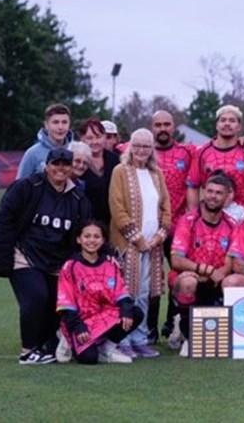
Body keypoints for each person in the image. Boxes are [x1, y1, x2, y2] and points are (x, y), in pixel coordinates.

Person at [0, 147, 92, 364]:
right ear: (47, 166)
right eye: (56, 164)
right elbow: (3, 220)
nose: (61, 169)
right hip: (24, 254)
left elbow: (83, 231)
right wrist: (0, 257)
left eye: (65, 164)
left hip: (57, 261)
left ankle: (45, 345)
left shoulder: (77, 197)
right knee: (36, 297)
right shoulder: (27, 187)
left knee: (56, 305)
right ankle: (28, 351)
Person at [109, 128, 171, 358]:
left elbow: (166, 208)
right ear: (130, 147)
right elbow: (117, 207)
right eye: (138, 146)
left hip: (153, 247)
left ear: (152, 149)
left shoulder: (157, 174)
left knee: (145, 293)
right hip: (128, 246)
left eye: (146, 146)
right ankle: (123, 339)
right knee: (127, 293)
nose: (142, 150)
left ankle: (140, 338)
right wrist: (137, 238)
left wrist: (158, 237)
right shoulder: (120, 171)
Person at [170, 173, 238, 356]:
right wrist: (205, 270)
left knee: (233, 281)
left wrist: (221, 273)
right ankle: (187, 335)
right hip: (190, 277)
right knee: (188, 282)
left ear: (227, 197)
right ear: (202, 193)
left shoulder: (232, 224)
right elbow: (176, 260)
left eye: (218, 193)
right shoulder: (188, 220)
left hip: (216, 280)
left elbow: (232, 261)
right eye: (209, 191)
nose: (213, 196)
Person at [56, 221, 143, 364]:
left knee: (135, 313)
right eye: (87, 236)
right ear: (79, 239)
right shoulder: (70, 267)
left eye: (96, 236)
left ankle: (107, 348)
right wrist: (78, 327)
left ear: (103, 240)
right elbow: (66, 303)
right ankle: (67, 336)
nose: (91, 240)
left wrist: (126, 311)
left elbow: (121, 293)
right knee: (89, 359)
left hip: (104, 316)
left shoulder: (111, 264)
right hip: (81, 321)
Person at [151, 109, 195, 344]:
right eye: (158, 125)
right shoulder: (140, 151)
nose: (162, 129)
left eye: (166, 124)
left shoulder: (187, 152)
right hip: (149, 227)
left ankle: (173, 322)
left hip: (178, 226)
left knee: (177, 276)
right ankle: (149, 328)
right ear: (152, 127)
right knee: (151, 280)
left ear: (173, 126)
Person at [186, 104, 244, 211]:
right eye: (223, 120)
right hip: (211, 217)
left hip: (243, 217)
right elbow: (193, 186)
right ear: (216, 125)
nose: (227, 123)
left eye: (232, 120)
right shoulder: (201, 152)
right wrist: (193, 217)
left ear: (239, 126)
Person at [78, 117, 121, 226]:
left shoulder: (116, 160)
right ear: (82, 139)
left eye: (98, 137)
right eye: (89, 138)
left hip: (111, 222)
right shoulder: (78, 162)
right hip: (84, 222)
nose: (95, 142)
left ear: (104, 137)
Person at [17, 103, 74, 179]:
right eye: (55, 122)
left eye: (64, 122)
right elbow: (19, 187)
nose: (60, 127)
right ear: (46, 125)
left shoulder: (76, 151)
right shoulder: (32, 154)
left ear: (69, 124)